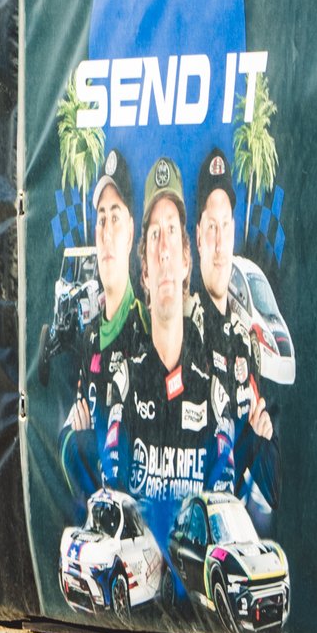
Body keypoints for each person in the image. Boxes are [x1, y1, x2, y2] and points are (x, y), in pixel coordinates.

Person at [99, 157, 233, 557]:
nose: (163, 251)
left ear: (187, 259)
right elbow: (111, 487)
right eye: (154, 234)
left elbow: (224, 500)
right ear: (143, 271)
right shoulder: (124, 379)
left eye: (172, 232)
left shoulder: (213, 382)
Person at [192, 149, 276, 517]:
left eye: (226, 226)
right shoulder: (179, 332)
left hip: (239, 526)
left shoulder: (246, 338)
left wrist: (262, 438)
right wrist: (251, 442)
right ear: (197, 236)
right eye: (211, 226)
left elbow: (262, 430)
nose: (219, 241)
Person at [62, 148, 142, 493]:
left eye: (116, 217)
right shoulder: (89, 337)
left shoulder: (148, 331)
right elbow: (72, 440)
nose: (107, 232)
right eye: (101, 219)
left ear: (131, 232)